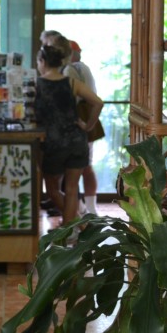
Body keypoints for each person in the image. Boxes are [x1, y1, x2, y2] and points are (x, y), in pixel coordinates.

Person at [34, 44, 103, 226]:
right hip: (76, 140)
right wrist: (87, 126)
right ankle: (76, 225)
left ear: (42, 61)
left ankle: (75, 225)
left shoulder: (38, 84)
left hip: (53, 142)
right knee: (72, 189)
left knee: (52, 189)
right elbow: (98, 103)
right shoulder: (71, 83)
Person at [63, 40, 101, 215]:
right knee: (87, 166)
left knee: (75, 168)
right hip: (87, 120)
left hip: (78, 122)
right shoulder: (84, 68)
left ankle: (80, 210)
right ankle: (90, 208)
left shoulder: (70, 70)